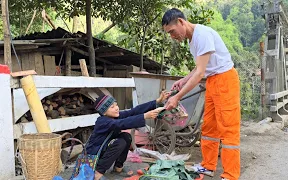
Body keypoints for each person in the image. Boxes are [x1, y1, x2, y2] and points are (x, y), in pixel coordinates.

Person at [162, 8, 241, 180]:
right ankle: (208, 166)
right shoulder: (192, 40)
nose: (172, 36)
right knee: (209, 127)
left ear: (181, 22)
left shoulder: (202, 35)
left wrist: (177, 97)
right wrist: (183, 79)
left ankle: (230, 174)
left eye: (172, 31)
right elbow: (198, 68)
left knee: (227, 128)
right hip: (213, 81)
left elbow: (199, 74)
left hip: (225, 80)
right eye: (169, 33)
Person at [86, 92, 169, 180]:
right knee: (120, 142)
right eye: (112, 107)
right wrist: (145, 116)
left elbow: (133, 111)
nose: (117, 108)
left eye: (116, 105)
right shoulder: (102, 121)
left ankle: (118, 167)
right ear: (104, 112)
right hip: (94, 155)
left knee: (126, 136)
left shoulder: (115, 116)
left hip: (105, 149)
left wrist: (157, 101)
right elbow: (121, 123)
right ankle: (98, 173)